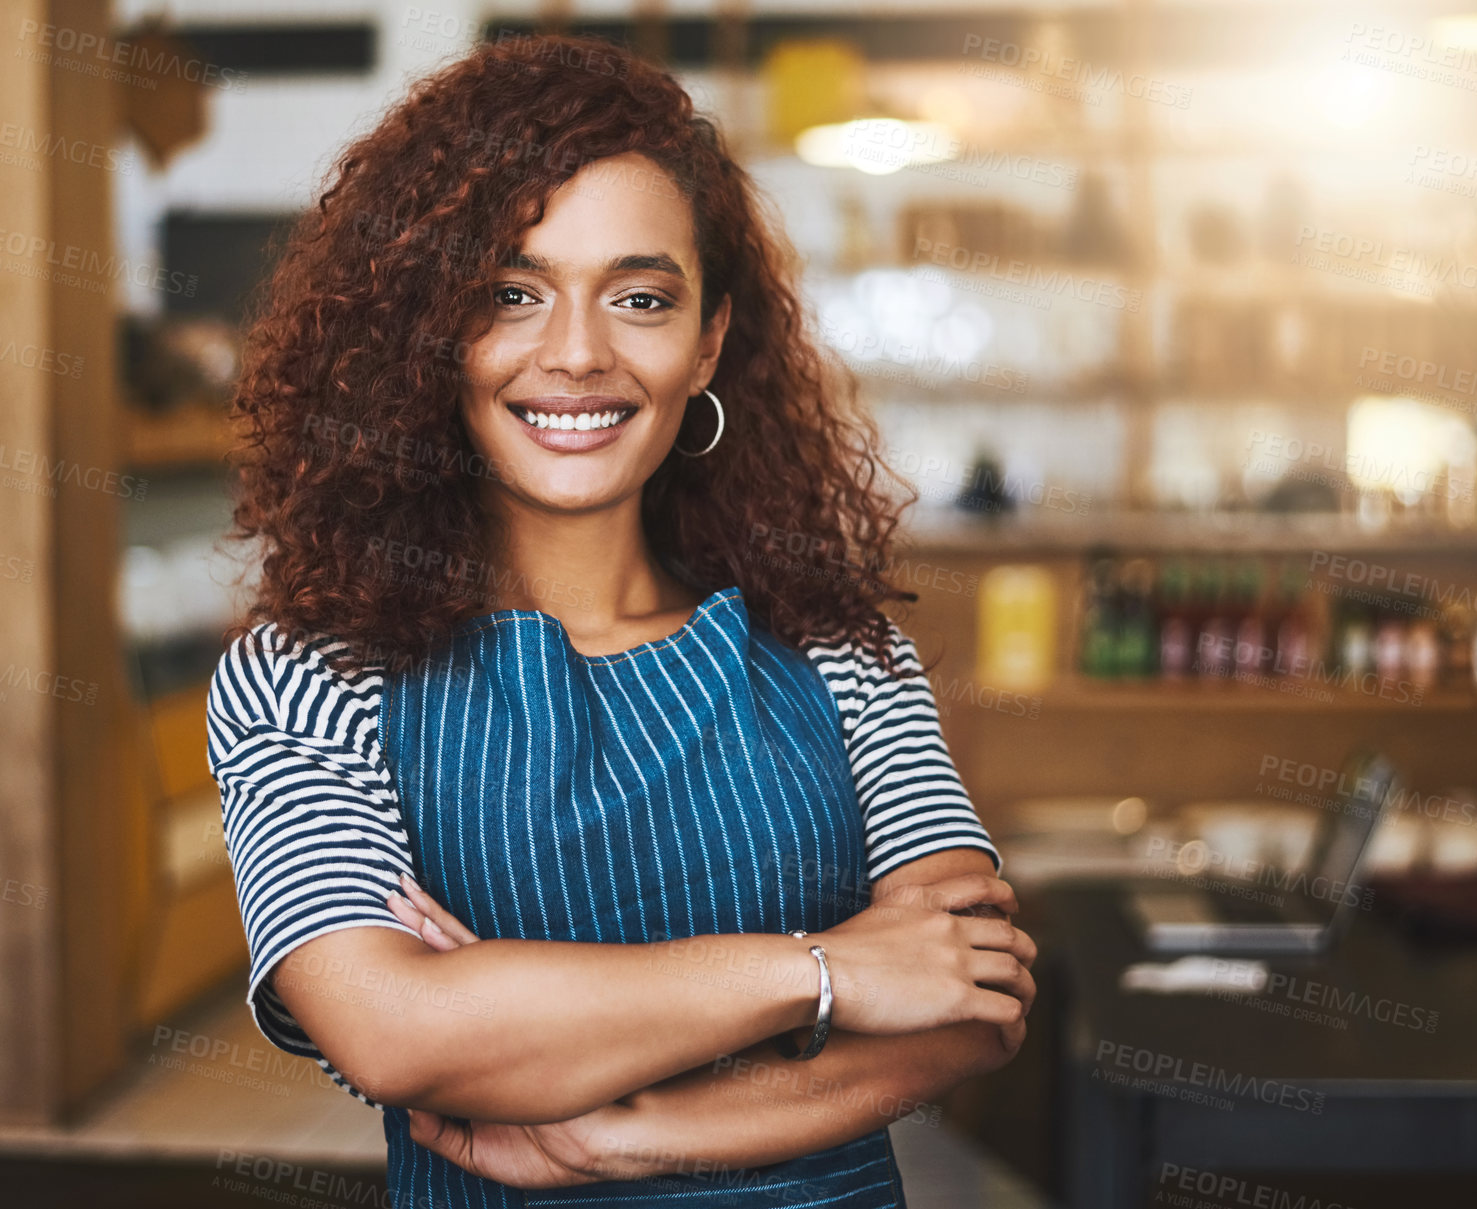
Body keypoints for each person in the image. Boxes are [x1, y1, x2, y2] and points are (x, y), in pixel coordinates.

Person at [207, 30, 1035, 1208]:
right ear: (424, 334)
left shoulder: (842, 652)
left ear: (707, 343)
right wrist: (829, 972)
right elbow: (391, 1033)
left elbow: (974, 998)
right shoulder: (306, 678)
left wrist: (619, 1132)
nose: (578, 354)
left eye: (639, 297)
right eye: (510, 294)